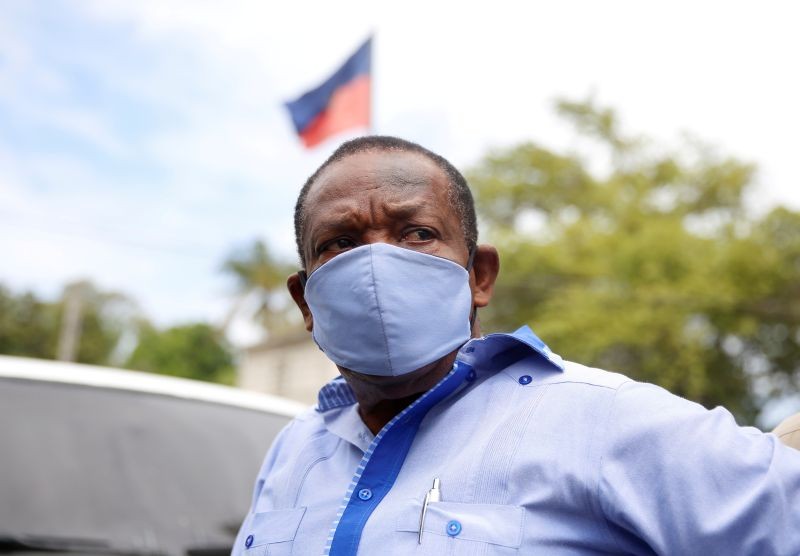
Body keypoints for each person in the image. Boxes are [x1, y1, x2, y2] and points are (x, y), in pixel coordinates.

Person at [232, 136, 800, 556]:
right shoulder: (294, 450)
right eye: (341, 242)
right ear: (305, 300)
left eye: (418, 233)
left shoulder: (603, 420)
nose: (378, 264)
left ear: (479, 276)